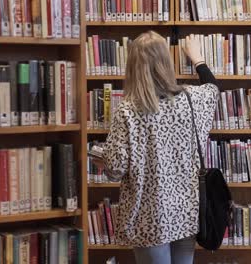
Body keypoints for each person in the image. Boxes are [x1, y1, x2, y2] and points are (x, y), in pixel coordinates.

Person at [95, 31, 218, 264]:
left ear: (133, 66)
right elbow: (213, 88)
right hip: (185, 211)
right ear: (166, 62)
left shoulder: (128, 110)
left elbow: (116, 169)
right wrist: (197, 59)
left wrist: (104, 161)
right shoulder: (192, 100)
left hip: (147, 217)